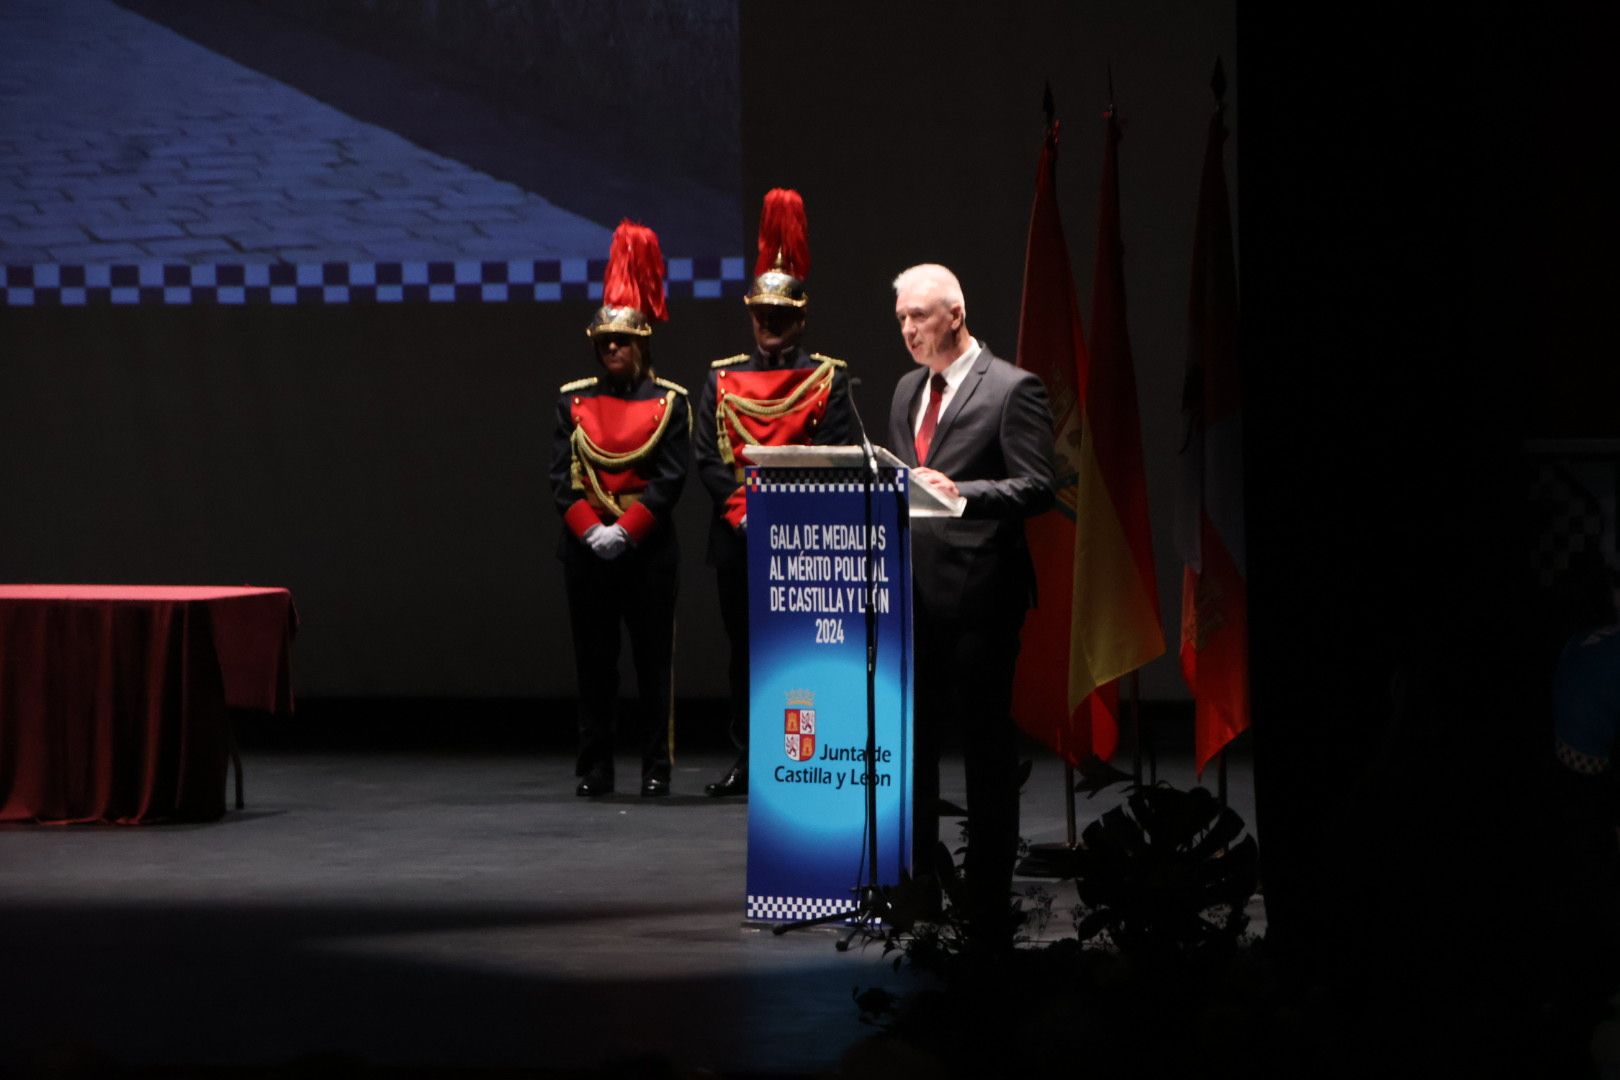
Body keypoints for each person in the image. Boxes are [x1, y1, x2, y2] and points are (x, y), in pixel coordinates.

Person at [886, 263, 1056, 942]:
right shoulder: (904, 390)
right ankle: (921, 887)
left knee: (985, 751)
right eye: (900, 319)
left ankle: (986, 897)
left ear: (954, 314)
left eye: (919, 317)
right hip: (914, 597)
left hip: (983, 597)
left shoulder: (1014, 388)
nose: (908, 330)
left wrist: (961, 492)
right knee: (915, 747)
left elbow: (1039, 486)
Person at [693, 188, 855, 797]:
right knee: (745, 653)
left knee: (800, 651)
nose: (771, 327)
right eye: (763, 316)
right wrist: (745, 515)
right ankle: (752, 757)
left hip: (804, 537)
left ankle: (803, 752)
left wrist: (783, 517)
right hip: (739, 536)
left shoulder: (827, 377)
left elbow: (834, 455)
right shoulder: (721, 376)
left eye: (781, 317)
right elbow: (710, 458)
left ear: (802, 317)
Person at [550, 220, 689, 798]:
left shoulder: (669, 402)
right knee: (595, 666)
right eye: (605, 341)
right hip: (588, 554)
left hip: (647, 550)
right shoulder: (573, 400)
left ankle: (655, 765)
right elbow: (563, 480)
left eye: (622, 341)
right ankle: (596, 766)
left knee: (654, 667)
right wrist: (592, 533)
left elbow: (669, 479)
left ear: (642, 343)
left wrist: (626, 532)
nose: (612, 349)